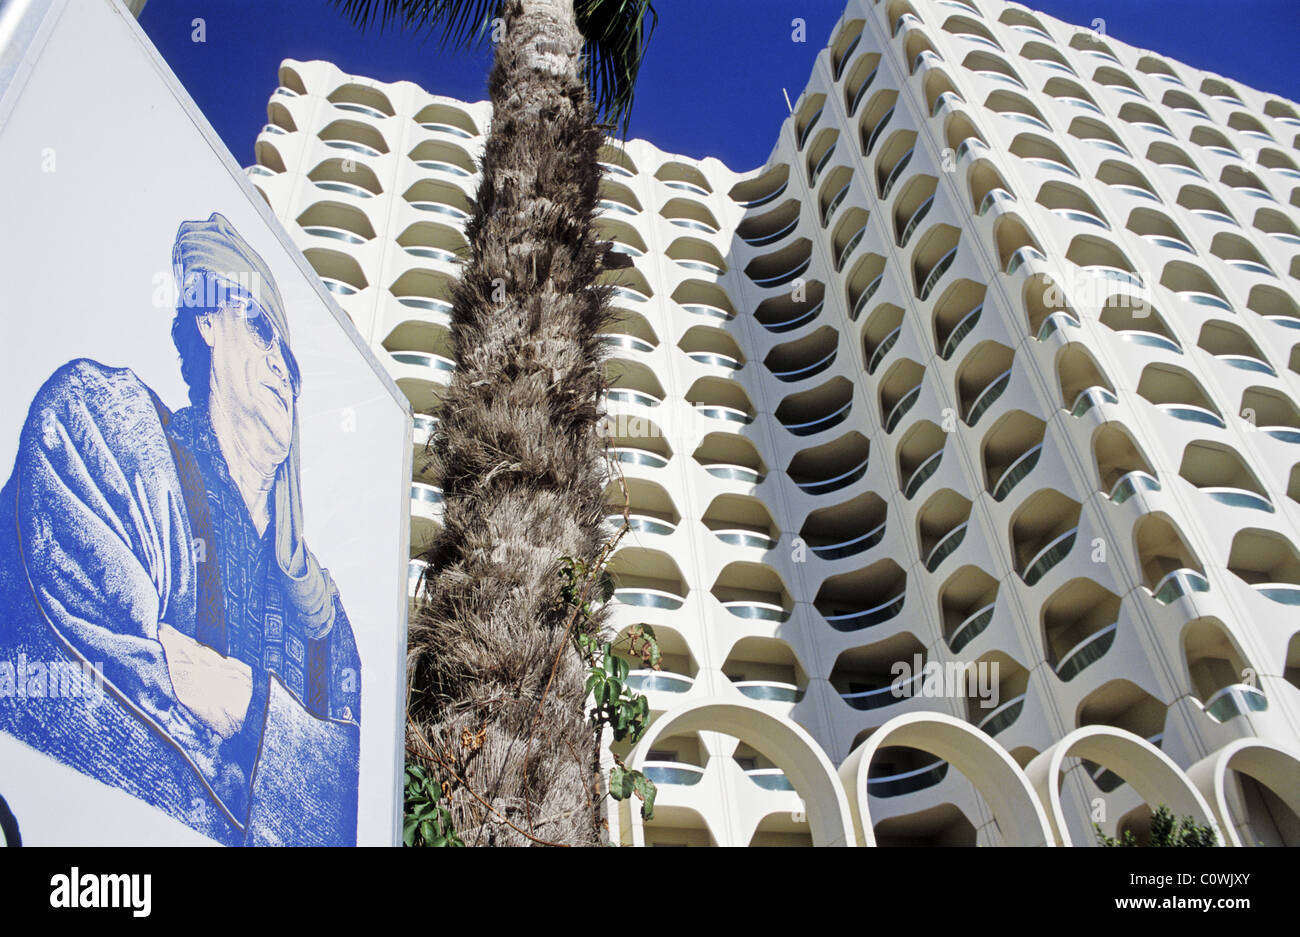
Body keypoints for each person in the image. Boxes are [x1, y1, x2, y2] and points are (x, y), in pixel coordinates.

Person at [0, 212, 361, 846]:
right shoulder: (105, 432)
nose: (282, 367)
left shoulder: (324, 622)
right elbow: (83, 715)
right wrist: (289, 767)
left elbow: (346, 811)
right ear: (210, 320)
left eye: (293, 362)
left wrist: (245, 704)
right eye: (260, 328)